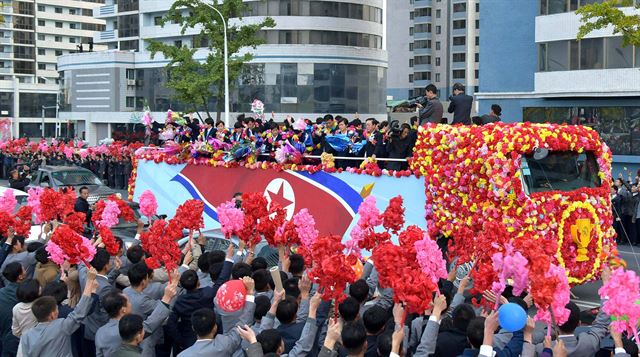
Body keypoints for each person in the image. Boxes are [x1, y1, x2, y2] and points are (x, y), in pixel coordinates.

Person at [19, 266, 98, 356]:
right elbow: (80, 312)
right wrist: (89, 282)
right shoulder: (61, 326)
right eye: (56, 309)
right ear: (52, 314)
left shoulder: (26, 337)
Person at [176, 276, 256, 356]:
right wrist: (250, 293)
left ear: (193, 328)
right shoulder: (224, 346)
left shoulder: (182, 355)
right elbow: (243, 325)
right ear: (215, 327)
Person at [95, 281, 176, 357]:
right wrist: (166, 298)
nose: (131, 304)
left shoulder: (100, 332)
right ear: (123, 309)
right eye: (129, 302)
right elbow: (151, 324)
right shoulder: (127, 328)